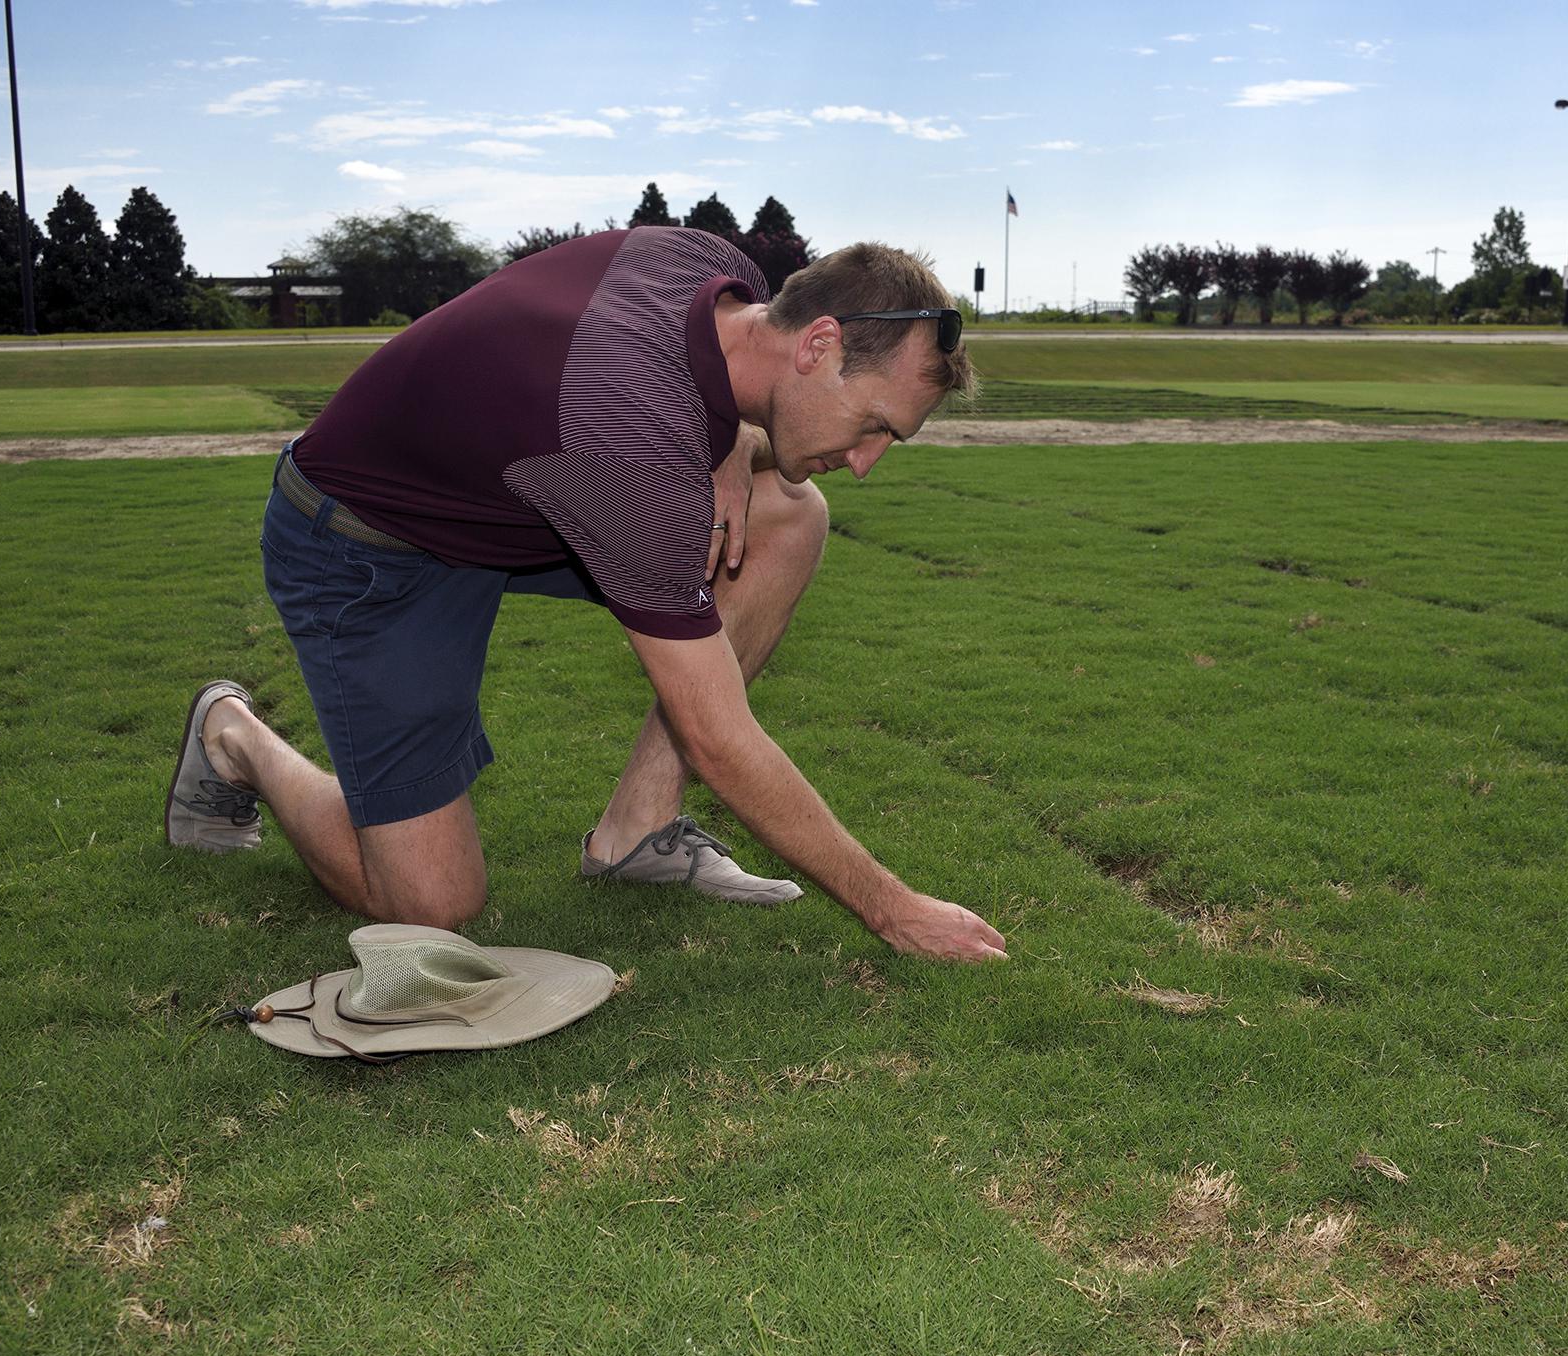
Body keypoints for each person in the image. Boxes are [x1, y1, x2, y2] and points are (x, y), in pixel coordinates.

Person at [165, 228, 1007, 963]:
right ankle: (233, 735)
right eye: (873, 427)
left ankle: (636, 835)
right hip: (365, 543)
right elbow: (720, 740)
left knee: (790, 510)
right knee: (432, 908)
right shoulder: (627, 450)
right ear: (818, 344)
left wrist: (722, 455)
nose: (867, 462)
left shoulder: (712, 267)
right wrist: (894, 910)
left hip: (514, 499)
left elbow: (665, 381)